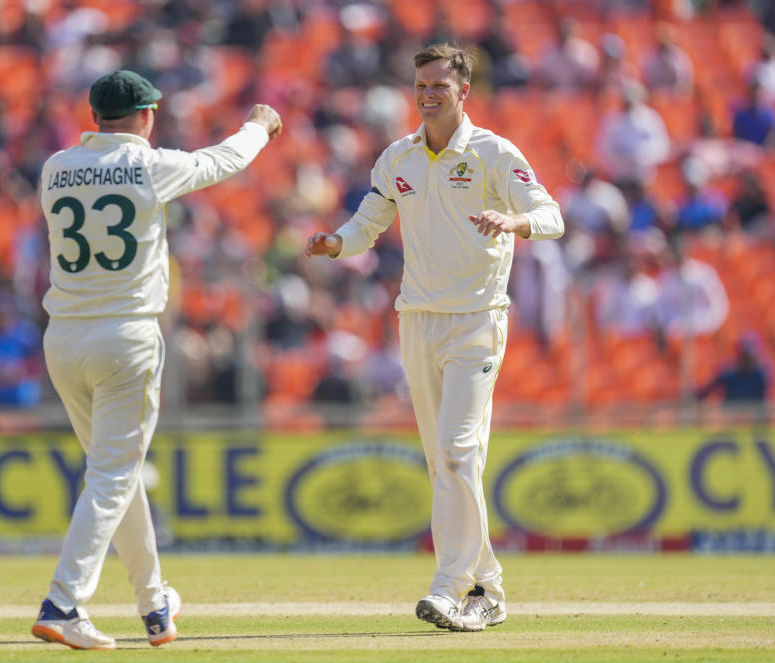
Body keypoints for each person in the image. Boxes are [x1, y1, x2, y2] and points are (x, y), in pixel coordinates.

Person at [304, 43, 563, 632]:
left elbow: (551, 214)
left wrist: (514, 220)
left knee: (457, 450)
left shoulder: (495, 153)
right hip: (417, 319)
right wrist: (336, 243)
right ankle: (487, 588)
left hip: (477, 320)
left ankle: (450, 585)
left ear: (464, 92)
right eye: (421, 84)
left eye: (439, 86)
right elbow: (368, 221)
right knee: (444, 462)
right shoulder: (399, 157)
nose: (427, 94)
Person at [32, 70, 281, 650]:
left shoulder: (54, 168)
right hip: (125, 336)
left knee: (115, 476)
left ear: (95, 116)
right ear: (146, 115)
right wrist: (260, 126)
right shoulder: (149, 165)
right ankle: (63, 601)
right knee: (115, 474)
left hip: (64, 337)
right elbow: (223, 161)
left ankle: (154, 606)